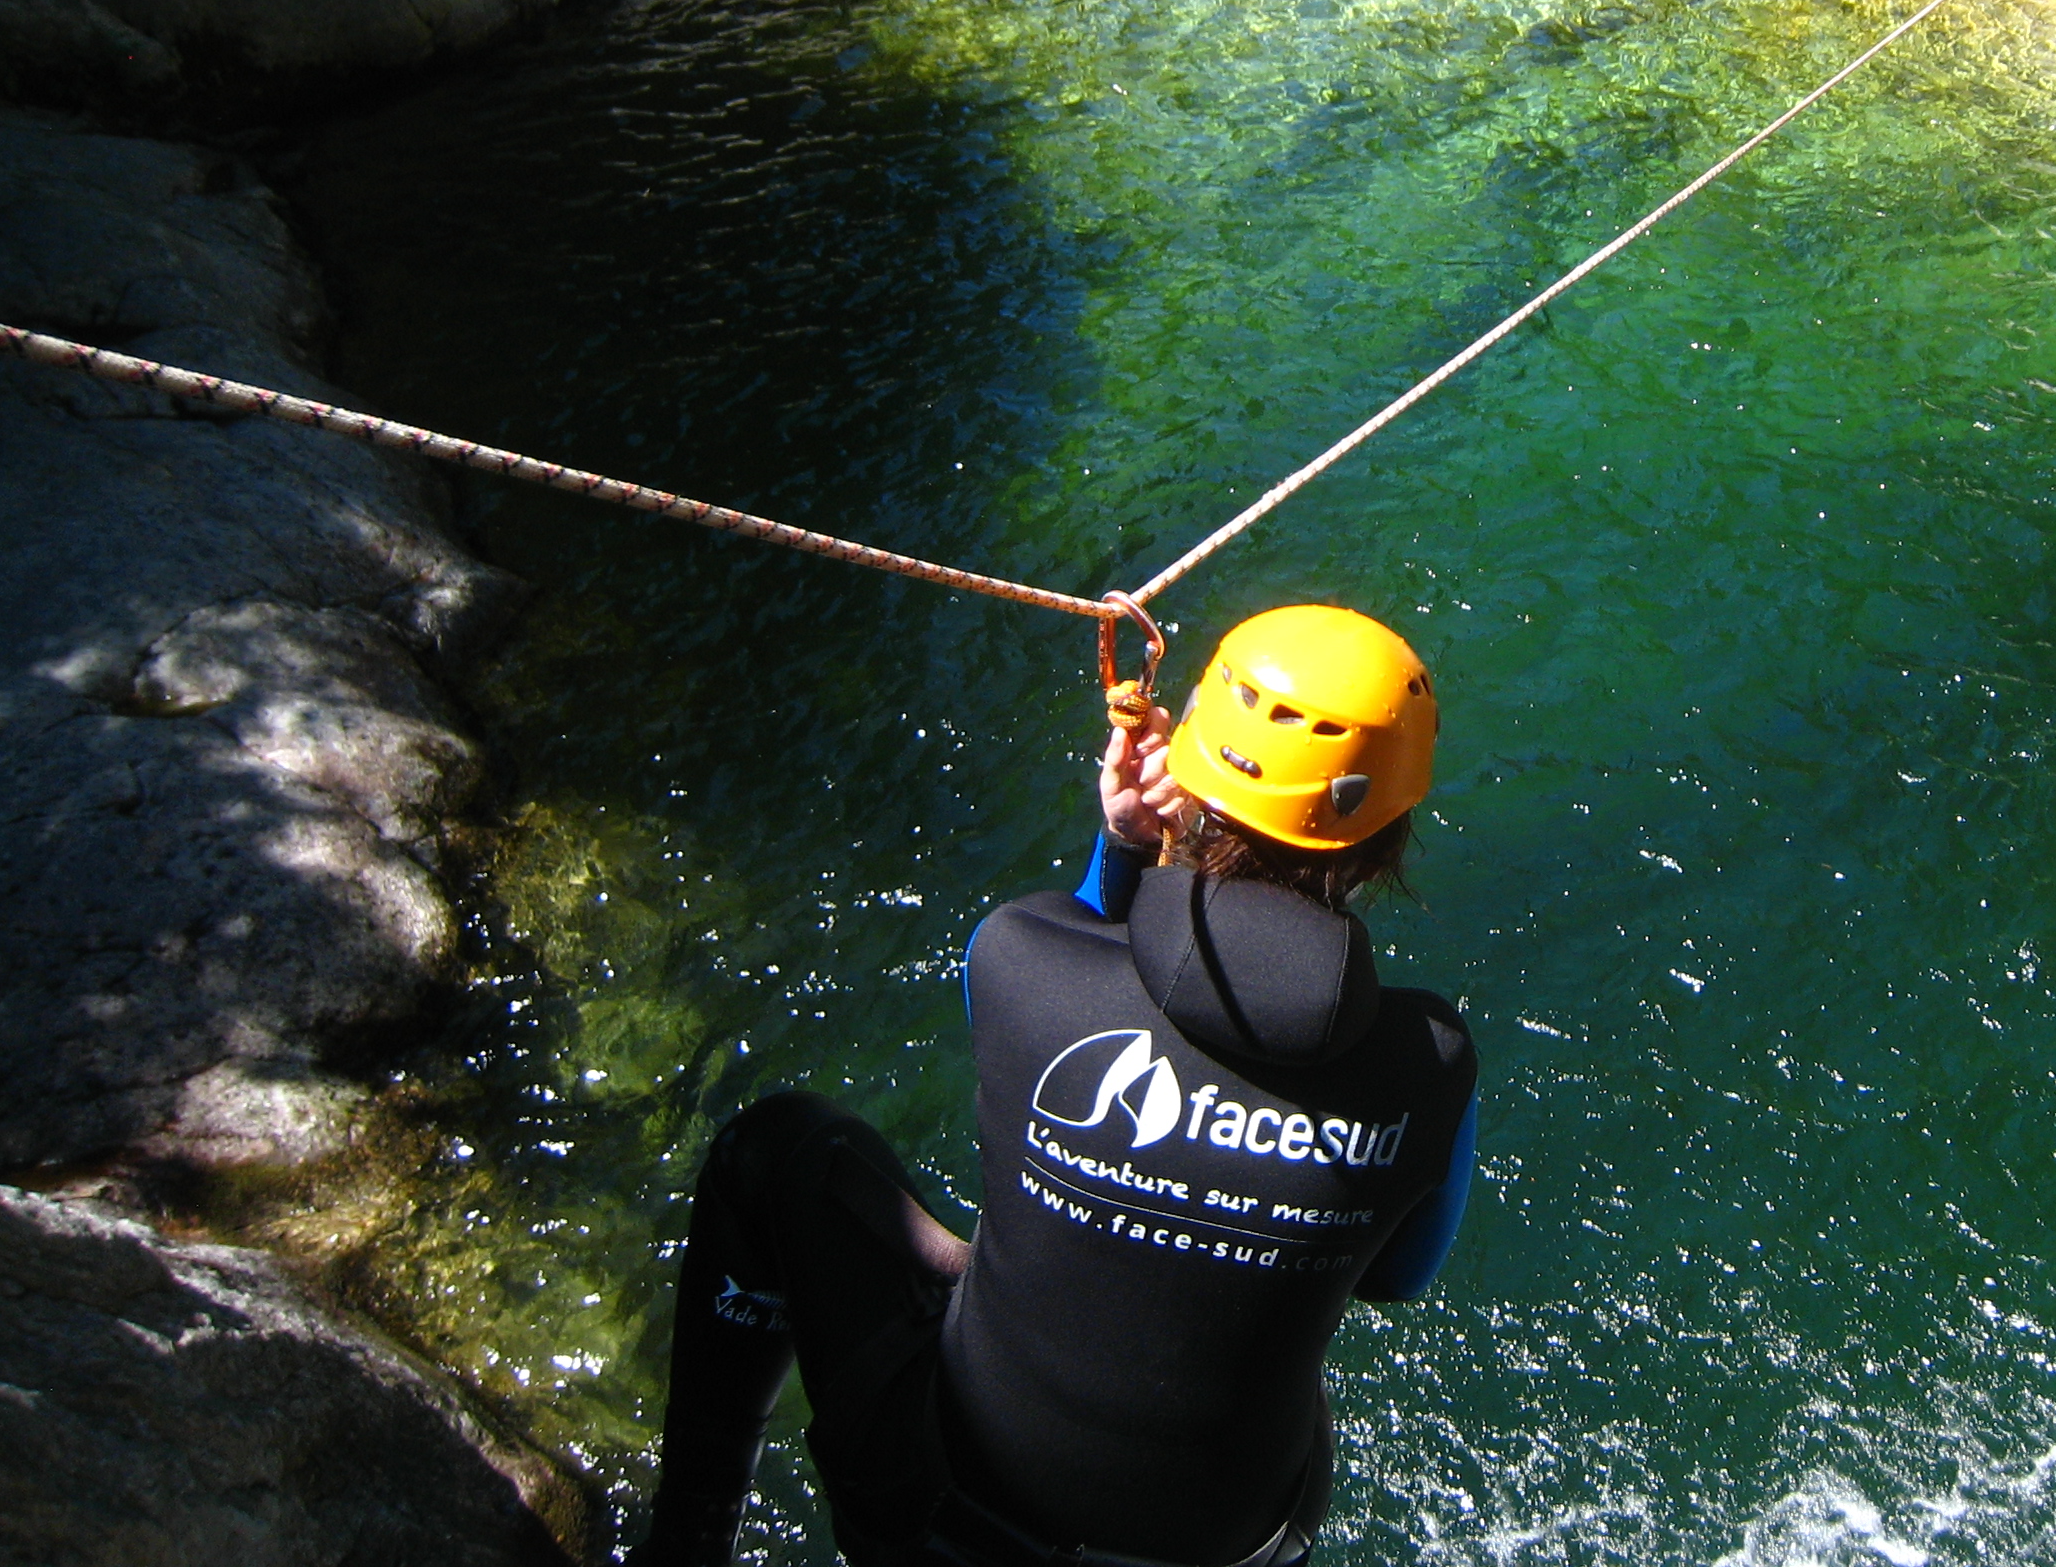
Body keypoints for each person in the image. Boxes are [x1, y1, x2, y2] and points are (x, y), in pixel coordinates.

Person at [625, 605, 1479, 1567]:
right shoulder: (1432, 1064)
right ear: (1392, 827)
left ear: (1191, 764)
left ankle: (686, 1547)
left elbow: (1086, 975)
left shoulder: (1017, 958)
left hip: (948, 1521)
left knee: (777, 1150)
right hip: (1236, 1549)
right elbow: (1400, 1276)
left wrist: (1123, 845)